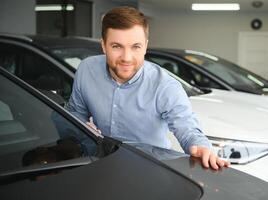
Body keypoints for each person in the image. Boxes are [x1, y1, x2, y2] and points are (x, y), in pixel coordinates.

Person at [65, 6, 229, 170]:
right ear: (103, 45)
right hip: (100, 166)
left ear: (145, 46)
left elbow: (187, 127)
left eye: (135, 46)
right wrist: (78, 135)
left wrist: (200, 146)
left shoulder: (165, 86)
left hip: (150, 172)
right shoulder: (87, 70)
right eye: (116, 46)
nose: (126, 58)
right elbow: (74, 114)